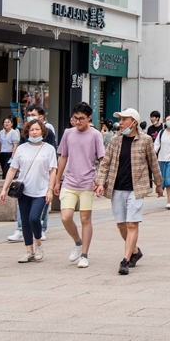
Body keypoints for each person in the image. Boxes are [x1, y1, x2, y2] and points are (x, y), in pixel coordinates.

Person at [94, 109, 163, 275]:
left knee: (132, 223)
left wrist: (159, 184)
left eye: (125, 119)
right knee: (121, 224)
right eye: (121, 119)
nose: (121, 122)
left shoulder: (145, 140)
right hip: (117, 188)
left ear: (134, 122)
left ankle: (124, 260)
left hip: (136, 188)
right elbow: (105, 164)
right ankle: (135, 251)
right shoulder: (115, 140)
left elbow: (153, 163)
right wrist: (100, 182)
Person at [0, 119, 58, 263]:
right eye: (31, 130)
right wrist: (4, 188)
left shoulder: (48, 149)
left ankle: (38, 243)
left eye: (37, 129)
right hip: (24, 189)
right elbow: (13, 169)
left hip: (41, 190)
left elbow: (53, 170)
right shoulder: (21, 148)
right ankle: (29, 251)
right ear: (27, 132)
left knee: (34, 218)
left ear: (43, 131)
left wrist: (50, 190)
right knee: (25, 221)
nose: (34, 132)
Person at [55, 102, 106, 269]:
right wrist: (57, 180)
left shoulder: (95, 135)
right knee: (66, 216)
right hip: (69, 180)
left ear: (89, 117)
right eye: (75, 118)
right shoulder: (68, 133)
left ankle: (84, 254)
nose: (78, 122)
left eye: (81, 119)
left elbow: (102, 159)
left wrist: (100, 181)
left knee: (85, 218)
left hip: (88, 181)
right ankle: (78, 242)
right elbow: (63, 157)